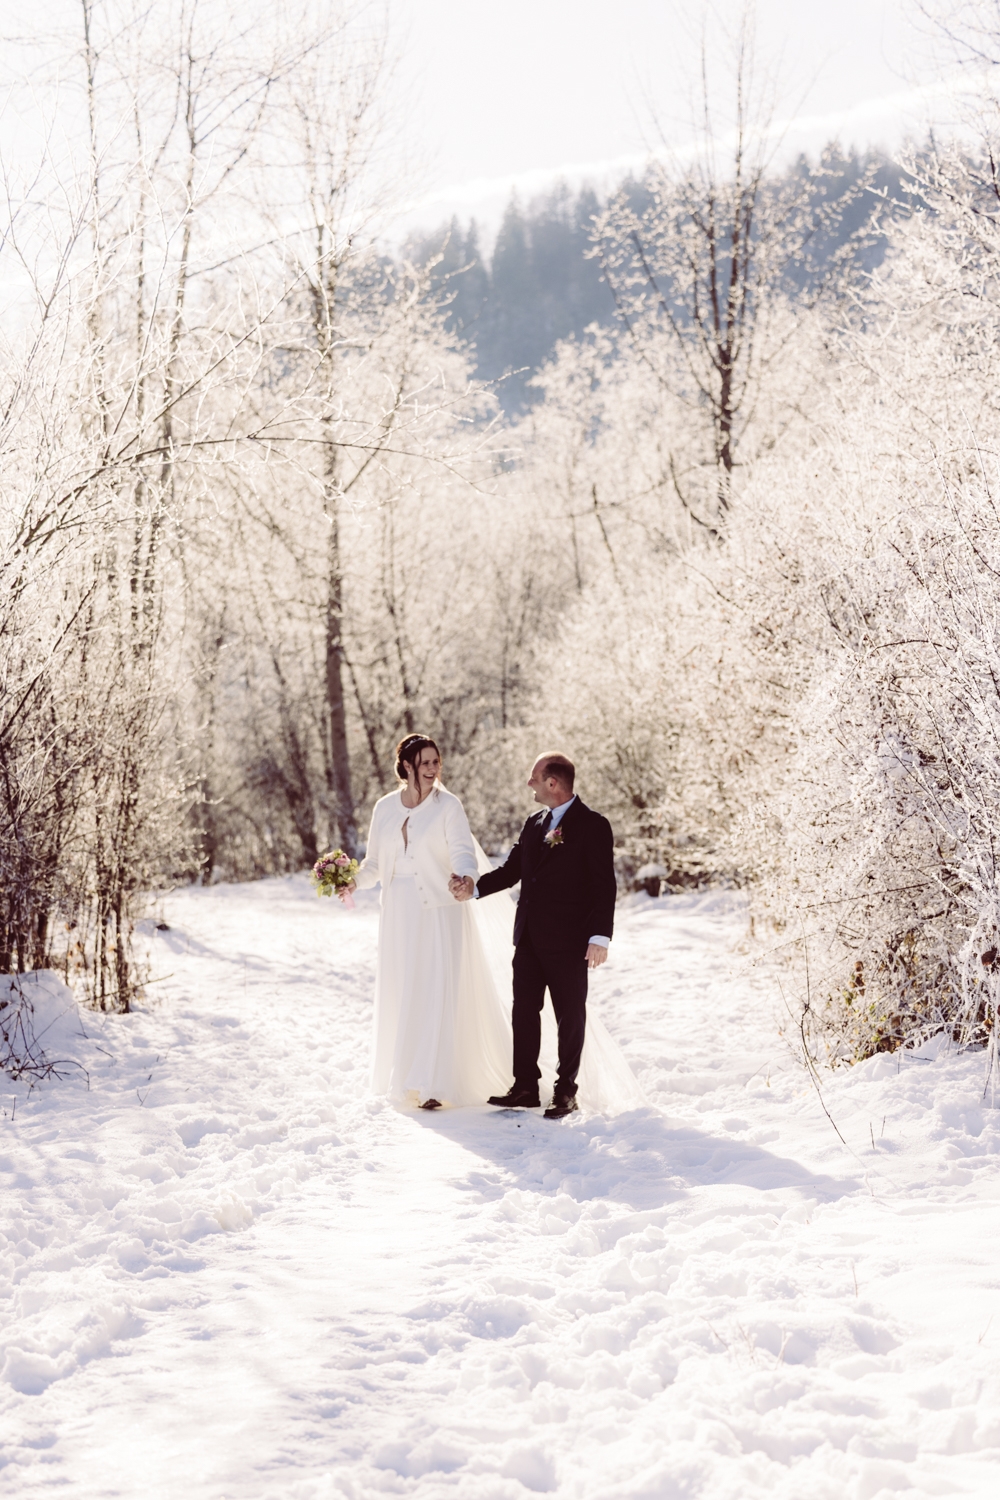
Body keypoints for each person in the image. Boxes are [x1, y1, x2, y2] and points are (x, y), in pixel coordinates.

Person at [340, 734, 512, 1109]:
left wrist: (465, 878)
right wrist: (351, 881)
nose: (434, 769)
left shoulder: (448, 806)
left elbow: (463, 852)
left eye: (437, 762)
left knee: (437, 989)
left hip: (439, 909)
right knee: (405, 989)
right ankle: (408, 1081)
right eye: (426, 763)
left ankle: (435, 1085)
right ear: (406, 766)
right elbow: (373, 865)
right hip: (398, 912)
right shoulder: (384, 808)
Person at [450, 752, 616, 1119]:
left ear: (552, 783)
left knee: (569, 1016)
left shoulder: (593, 825)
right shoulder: (533, 823)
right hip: (528, 938)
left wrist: (599, 936)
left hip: (570, 941)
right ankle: (525, 1086)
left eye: (534, 778)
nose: (530, 784)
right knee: (523, 1012)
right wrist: (473, 888)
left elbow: (605, 886)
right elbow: (512, 871)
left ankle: (565, 1091)